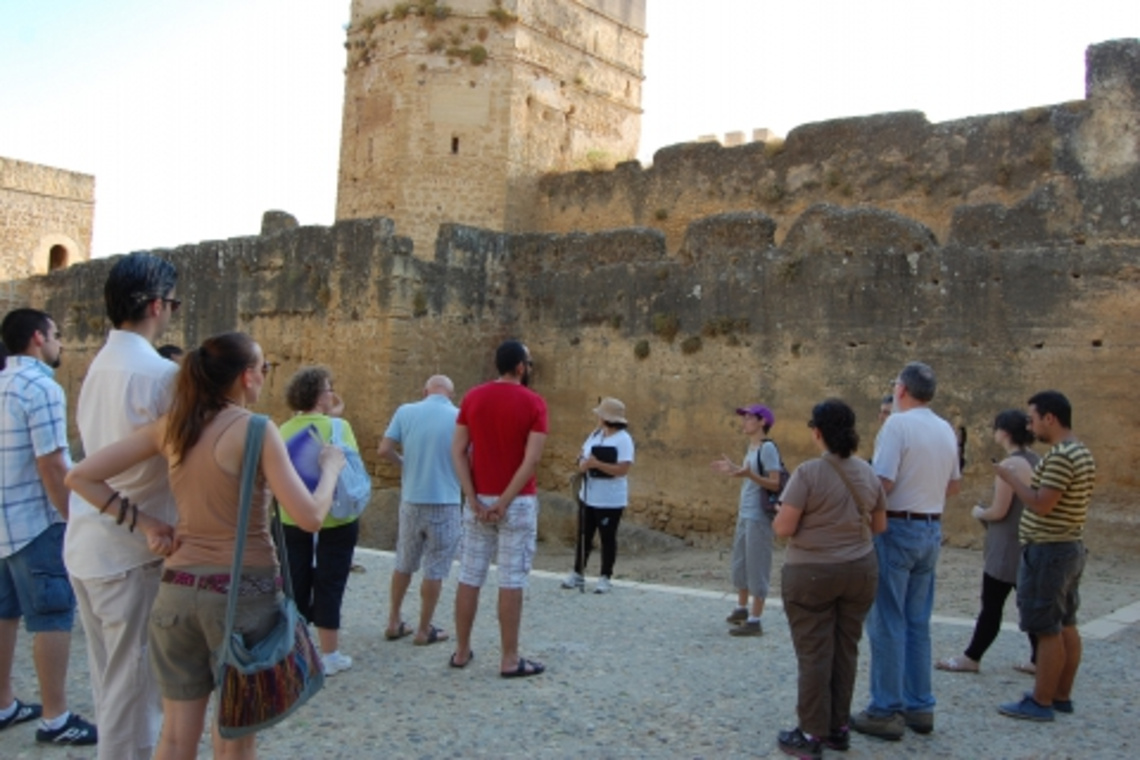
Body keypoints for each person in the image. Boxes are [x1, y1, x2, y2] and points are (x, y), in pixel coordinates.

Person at [65, 332, 345, 760]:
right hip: (243, 597)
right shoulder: (256, 429)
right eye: (265, 369)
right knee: (235, 737)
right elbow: (309, 517)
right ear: (248, 377)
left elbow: (80, 476)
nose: (265, 378)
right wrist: (329, 469)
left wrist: (147, 524)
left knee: (176, 737)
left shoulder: (173, 426)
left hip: (176, 590)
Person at [63, 252, 179, 759]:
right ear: (156, 305)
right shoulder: (157, 376)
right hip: (130, 554)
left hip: (89, 547)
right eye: (172, 304)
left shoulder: (100, 364)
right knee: (133, 697)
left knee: (113, 685)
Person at [0, 309, 97, 746]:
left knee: (5, 613)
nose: (61, 343)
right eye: (57, 334)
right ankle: (55, 717)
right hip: (36, 521)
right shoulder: (41, 386)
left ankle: (4, 703)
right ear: (38, 338)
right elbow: (53, 463)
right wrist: (71, 518)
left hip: (4, 520)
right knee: (52, 615)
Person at [772, 399, 887, 759]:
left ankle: (810, 733)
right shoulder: (868, 473)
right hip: (860, 569)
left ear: (817, 432)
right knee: (845, 649)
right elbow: (880, 525)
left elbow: (783, 528)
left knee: (814, 652)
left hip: (812, 571)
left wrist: (785, 514)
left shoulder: (807, 473)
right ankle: (838, 727)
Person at [852, 362, 960, 741]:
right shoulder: (945, 428)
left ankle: (885, 708)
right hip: (930, 526)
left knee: (887, 618)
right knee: (917, 620)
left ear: (900, 390)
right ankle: (920, 704)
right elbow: (953, 485)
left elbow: (880, 482)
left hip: (897, 526)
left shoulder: (897, 425)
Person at [449, 340, 547, 677]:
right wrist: (504, 501)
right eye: (529, 363)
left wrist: (472, 496)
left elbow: (458, 450)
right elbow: (531, 460)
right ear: (520, 367)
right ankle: (509, 658)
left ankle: (461, 651)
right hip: (517, 502)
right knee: (511, 579)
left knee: (469, 576)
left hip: (478, 501)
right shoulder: (535, 403)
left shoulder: (472, 398)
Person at [995, 391, 1094, 722]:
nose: (1031, 425)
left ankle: (1041, 701)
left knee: (1046, 626)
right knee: (1066, 622)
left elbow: (1041, 503)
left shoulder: (1062, 456)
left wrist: (1011, 479)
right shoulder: (1080, 452)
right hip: (1069, 545)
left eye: (1033, 418)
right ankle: (1060, 695)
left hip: (1050, 549)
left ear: (1050, 418)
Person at [937, 410, 1039, 674]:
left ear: (1004, 432)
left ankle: (972, 656)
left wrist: (979, 512)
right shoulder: (1037, 460)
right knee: (1027, 602)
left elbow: (1000, 510)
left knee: (992, 605)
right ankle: (1039, 658)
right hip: (1028, 541)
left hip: (1006, 545)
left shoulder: (1010, 466)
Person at [278, 366, 362, 675]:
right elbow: (351, 464)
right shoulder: (340, 428)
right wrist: (336, 418)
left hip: (292, 515)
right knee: (331, 582)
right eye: (329, 389)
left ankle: (297, 652)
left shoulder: (282, 430)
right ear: (319, 395)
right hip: (336, 518)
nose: (333, 393)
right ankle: (329, 654)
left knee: (295, 583)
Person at [378, 375, 461, 645]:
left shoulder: (406, 411)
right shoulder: (459, 417)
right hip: (445, 501)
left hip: (412, 499)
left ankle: (393, 620)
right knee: (435, 568)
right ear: (451, 394)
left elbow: (384, 450)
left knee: (404, 561)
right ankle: (424, 629)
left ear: (425, 391)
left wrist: (404, 464)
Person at [710, 404, 783, 637]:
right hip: (745, 513)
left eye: (750, 418)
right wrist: (735, 470)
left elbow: (775, 482)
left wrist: (748, 474)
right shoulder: (751, 447)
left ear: (762, 422)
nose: (744, 422)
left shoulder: (767, 448)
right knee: (741, 563)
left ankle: (755, 619)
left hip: (759, 516)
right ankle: (741, 608)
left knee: (757, 564)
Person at [561, 397, 635, 594]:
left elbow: (623, 469)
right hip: (589, 495)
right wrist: (583, 464)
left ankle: (605, 576)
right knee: (583, 535)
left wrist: (597, 465)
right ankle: (578, 572)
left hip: (610, 499)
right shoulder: (595, 435)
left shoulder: (623, 439)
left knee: (607, 538)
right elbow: (582, 455)